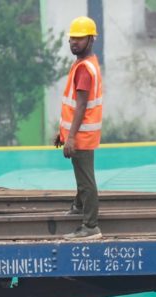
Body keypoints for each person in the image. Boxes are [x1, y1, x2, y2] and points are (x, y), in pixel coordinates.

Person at [55, 17, 103, 240]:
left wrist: (71, 138)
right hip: (79, 133)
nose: (74, 42)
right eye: (72, 38)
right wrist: (63, 133)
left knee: (86, 180)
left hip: (82, 135)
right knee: (82, 175)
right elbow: (73, 104)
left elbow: (82, 105)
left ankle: (90, 225)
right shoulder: (85, 63)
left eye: (79, 38)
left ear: (91, 39)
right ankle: (78, 205)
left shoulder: (84, 69)